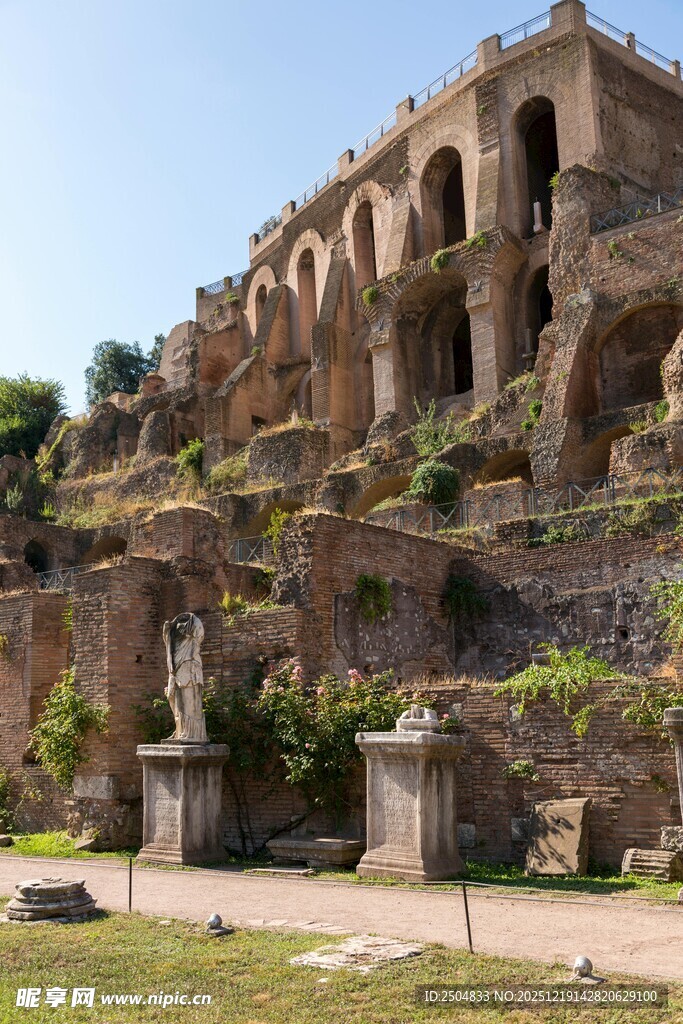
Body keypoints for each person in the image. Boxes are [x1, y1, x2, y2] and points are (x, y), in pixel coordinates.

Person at [162, 612, 208, 742]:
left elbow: (199, 631)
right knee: (171, 696)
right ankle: (179, 729)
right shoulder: (172, 632)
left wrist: (190, 624)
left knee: (188, 700)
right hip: (176, 667)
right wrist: (169, 628)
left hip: (189, 665)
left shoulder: (194, 625)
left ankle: (191, 733)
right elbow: (168, 640)